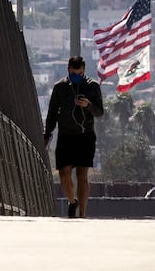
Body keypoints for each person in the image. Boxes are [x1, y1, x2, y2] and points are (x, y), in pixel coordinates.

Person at [43, 56, 104, 218]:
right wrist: (47, 134)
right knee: (64, 173)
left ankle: (82, 214)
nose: (76, 75)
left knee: (82, 176)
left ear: (84, 71)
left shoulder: (92, 87)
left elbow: (100, 112)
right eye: (73, 73)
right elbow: (52, 113)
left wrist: (88, 105)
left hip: (85, 136)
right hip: (65, 135)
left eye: (80, 73)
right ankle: (72, 201)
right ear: (68, 70)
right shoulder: (60, 87)